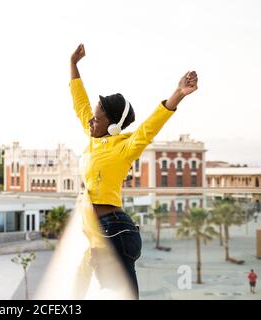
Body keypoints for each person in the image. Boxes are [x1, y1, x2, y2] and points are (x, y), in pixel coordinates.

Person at [69, 43, 198, 299]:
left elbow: (150, 128)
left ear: (114, 126)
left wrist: (178, 93)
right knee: (76, 290)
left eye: (98, 117)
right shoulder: (94, 137)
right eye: (93, 116)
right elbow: (80, 104)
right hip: (99, 233)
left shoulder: (124, 146)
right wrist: (73, 64)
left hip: (114, 232)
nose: (91, 120)